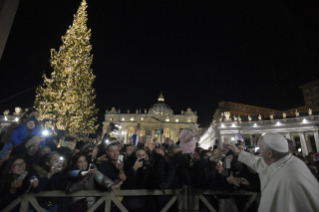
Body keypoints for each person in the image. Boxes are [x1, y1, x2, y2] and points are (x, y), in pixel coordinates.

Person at [223, 132, 319, 212]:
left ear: (269, 153)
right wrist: (238, 152)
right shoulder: (281, 161)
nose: (258, 151)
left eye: (260, 148)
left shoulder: (291, 176)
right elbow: (256, 162)